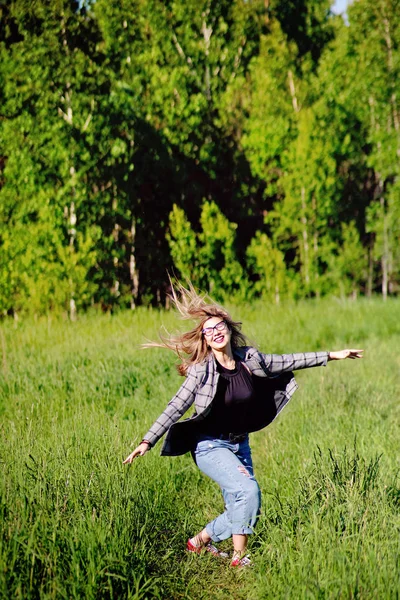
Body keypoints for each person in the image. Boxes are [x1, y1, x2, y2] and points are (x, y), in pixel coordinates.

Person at [123, 282, 363, 567]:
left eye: (218, 326)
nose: (215, 332)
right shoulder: (202, 370)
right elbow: (176, 405)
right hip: (209, 445)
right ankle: (239, 558)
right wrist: (146, 441)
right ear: (205, 339)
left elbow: (287, 360)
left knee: (243, 503)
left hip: (240, 442)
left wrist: (333, 355)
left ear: (228, 329)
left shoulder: (249, 358)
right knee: (249, 492)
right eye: (208, 330)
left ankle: (198, 542)